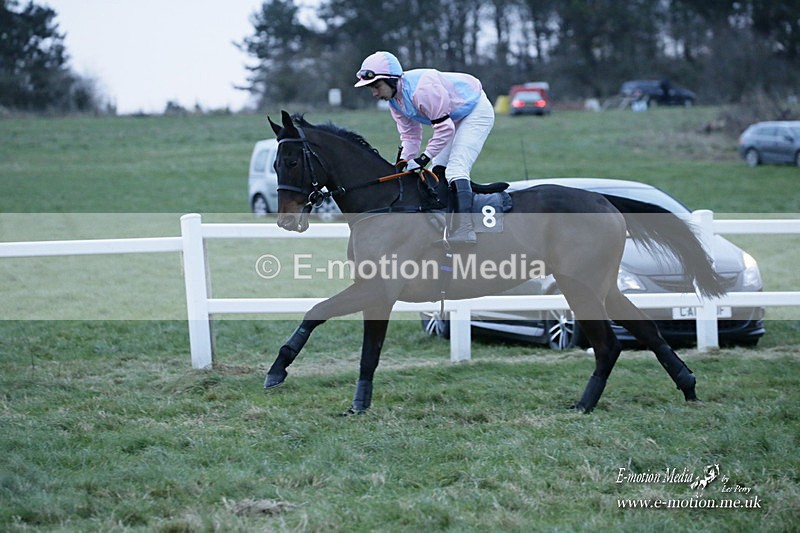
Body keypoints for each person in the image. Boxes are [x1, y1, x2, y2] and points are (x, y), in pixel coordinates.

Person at [354, 51, 495, 245]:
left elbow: (444, 129)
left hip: (476, 110)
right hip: (453, 117)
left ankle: (465, 229)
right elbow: (410, 136)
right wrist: (403, 161)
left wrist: (423, 157)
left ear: (392, 80)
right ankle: (444, 226)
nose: (375, 93)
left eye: (376, 86)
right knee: (438, 171)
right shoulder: (395, 102)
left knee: (456, 169)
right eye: (371, 88)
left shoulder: (422, 91)